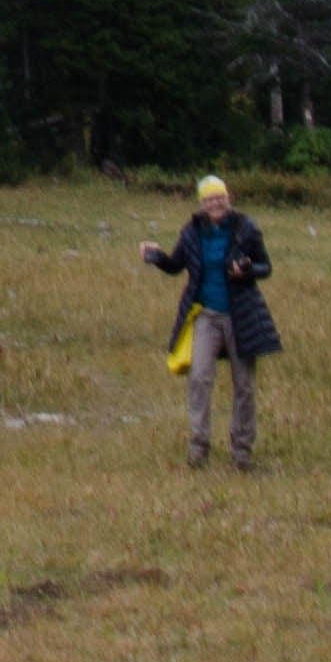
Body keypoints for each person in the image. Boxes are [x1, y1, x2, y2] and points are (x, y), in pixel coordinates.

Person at [138, 174, 278, 469]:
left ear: (229, 199)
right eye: (210, 199)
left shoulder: (246, 228)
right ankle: (198, 447)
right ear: (201, 204)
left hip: (241, 315)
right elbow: (176, 265)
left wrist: (248, 270)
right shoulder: (192, 232)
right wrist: (156, 256)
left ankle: (242, 451)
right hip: (206, 315)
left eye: (220, 197)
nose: (216, 203)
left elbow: (266, 267)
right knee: (199, 378)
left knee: (244, 385)